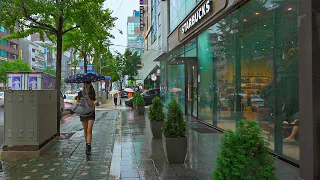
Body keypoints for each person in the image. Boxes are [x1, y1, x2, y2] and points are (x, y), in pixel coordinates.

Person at [77, 81, 96, 155]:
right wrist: (80, 103)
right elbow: (78, 102)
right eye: (84, 84)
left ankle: (88, 146)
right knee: (85, 130)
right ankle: (87, 143)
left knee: (89, 129)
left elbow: (92, 105)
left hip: (91, 113)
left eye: (87, 84)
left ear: (90, 85)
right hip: (83, 113)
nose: (85, 85)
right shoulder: (80, 93)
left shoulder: (92, 93)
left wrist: (87, 97)